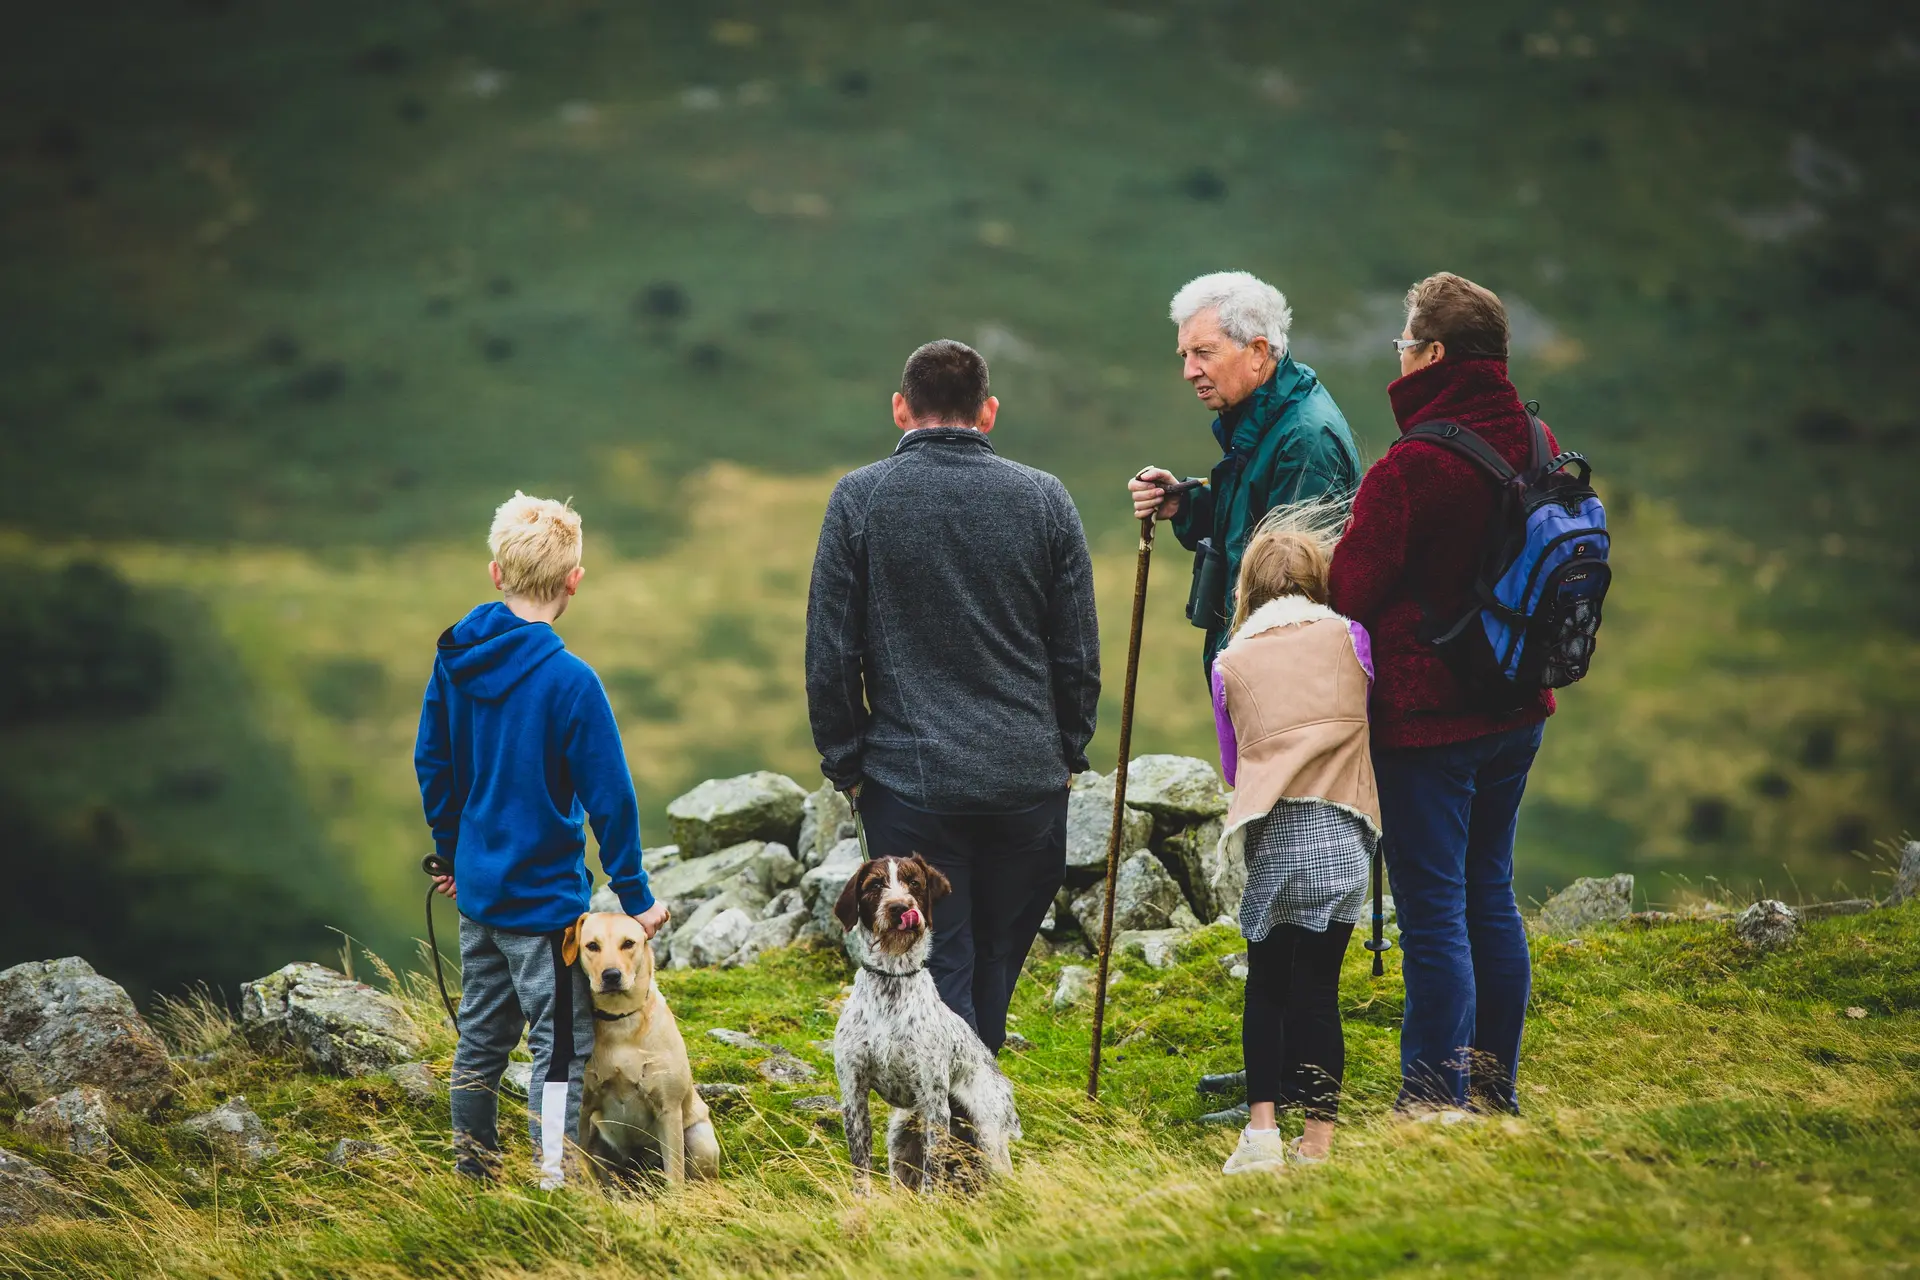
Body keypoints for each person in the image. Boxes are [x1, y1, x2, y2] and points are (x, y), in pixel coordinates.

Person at [805, 339, 1100, 1054]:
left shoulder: (861, 498)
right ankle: (975, 1128)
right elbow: (1078, 652)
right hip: (1028, 784)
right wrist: (1068, 746)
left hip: (911, 786)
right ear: (989, 412)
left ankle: (958, 1142)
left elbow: (832, 650)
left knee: (949, 965)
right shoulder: (1046, 498)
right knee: (992, 961)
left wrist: (846, 763)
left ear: (901, 408)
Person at [1328, 272, 1558, 1113]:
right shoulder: (1535, 438)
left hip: (1429, 726)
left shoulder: (1413, 465)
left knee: (1434, 913)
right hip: (1518, 705)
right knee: (1489, 892)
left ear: (1430, 355)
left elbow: (1351, 585)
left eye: (1404, 344)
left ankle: (1432, 1097)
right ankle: (1495, 1092)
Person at [414, 491, 667, 1187]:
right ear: (573, 581)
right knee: (558, 1050)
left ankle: (474, 1175)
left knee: (481, 1043)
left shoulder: (455, 661)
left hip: (479, 898)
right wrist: (638, 898)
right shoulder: (571, 682)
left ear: (497, 574)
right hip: (549, 911)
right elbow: (609, 801)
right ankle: (553, 1182)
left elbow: (431, 763)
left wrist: (452, 852)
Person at [1210, 504, 1379, 1174]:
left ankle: (1260, 1135)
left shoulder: (1231, 661)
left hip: (1276, 841)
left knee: (1268, 988)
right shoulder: (1353, 639)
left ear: (1248, 588)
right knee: (1319, 991)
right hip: (1343, 835)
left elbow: (1233, 764)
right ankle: (1317, 1142)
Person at [1129, 271, 1362, 683]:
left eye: (1203, 352)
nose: (1189, 371)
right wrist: (1185, 504)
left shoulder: (1305, 441)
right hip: (1252, 676)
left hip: (1280, 686)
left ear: (1257, 351)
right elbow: (1251, 521)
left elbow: (1298, 595)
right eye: (1184, 354)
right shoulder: (1260, 420)